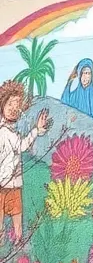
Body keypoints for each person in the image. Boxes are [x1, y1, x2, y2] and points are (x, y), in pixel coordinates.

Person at [0, 81, 50, 241]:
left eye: (17, 105)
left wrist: (37, 130)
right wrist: (36, 130)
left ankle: (17, 245)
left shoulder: (10, 130)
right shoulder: (4, 132)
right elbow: (21, 146)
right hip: (3, 185)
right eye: (10, 105)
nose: (14, 109)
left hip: (13, 184)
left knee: (16, 220)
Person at [61, 58, 93, 125]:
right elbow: (64, 104)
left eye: (89, 73)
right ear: (79, 74)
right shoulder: (73, 93)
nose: (86, 76)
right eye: (84, 73)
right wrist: (70, 83)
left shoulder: (92, 93)